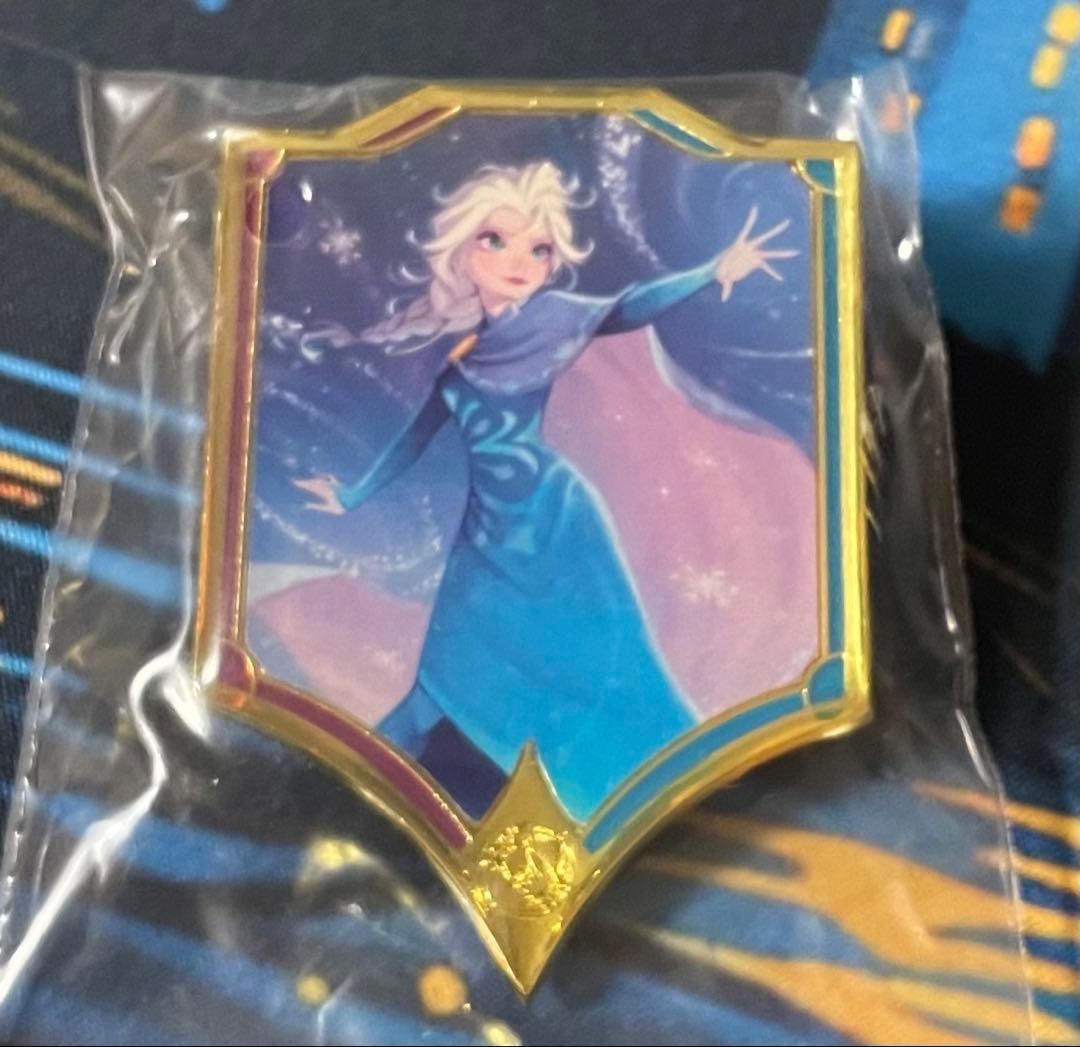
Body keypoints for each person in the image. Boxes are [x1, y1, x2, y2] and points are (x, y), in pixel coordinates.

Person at [294, 161, 796, 821]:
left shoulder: (553, 318)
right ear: (462, 251)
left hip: (554, 519)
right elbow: (417, 435)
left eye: (539, 249)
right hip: (487, 528)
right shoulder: (466, 353)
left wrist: (710, 271)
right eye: (496, 240)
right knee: (448, 658)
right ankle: (358, 781)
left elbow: (626, 306)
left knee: (599, 665)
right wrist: (352, 496)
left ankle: (647, 782)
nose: (519, 262)